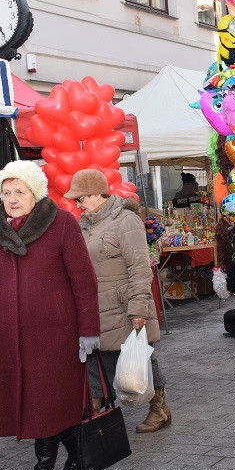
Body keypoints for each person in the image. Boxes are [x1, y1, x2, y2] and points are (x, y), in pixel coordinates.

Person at [0, 160, 101, 470]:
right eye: (6, 192)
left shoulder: (61, 224)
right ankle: (76, 452)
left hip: (56, 336)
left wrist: (88, 330)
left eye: (20, 191)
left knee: (47, 405)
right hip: (11, 338)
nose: (12, 199)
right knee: (43, 405)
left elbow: (84, 282)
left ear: (36, 192)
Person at [64, 169, 171, 433]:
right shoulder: (83, 225)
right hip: (96, 306)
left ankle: (159, 408)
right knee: (95, 359)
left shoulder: (126, 221)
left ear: (96, 194)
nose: (78, 204)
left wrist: (138, 307)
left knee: (140, 358)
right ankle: (95, 414)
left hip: (123, 306)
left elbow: (140, 267)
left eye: (80, 198)